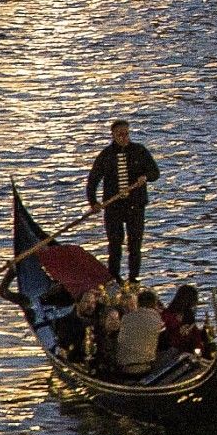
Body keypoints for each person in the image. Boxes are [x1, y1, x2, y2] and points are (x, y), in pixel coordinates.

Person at [84, 119, 159, 285]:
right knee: (115, 244)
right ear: (113, 135)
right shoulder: (106, 156)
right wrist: (93, 202)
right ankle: (114, 277)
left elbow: (155, 172)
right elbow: (93, 181)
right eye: (121, 135)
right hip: (114, 207)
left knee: (135, 244)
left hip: (136, 206)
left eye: (126, 134)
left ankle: (133, 279)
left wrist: (145, 177)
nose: (124, 137)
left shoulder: (140, 151)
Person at [114, 289, 166, 378]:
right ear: (154, 304)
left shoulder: (126, 317)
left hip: (123, 366)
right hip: (144, 368)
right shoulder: (156, 317)